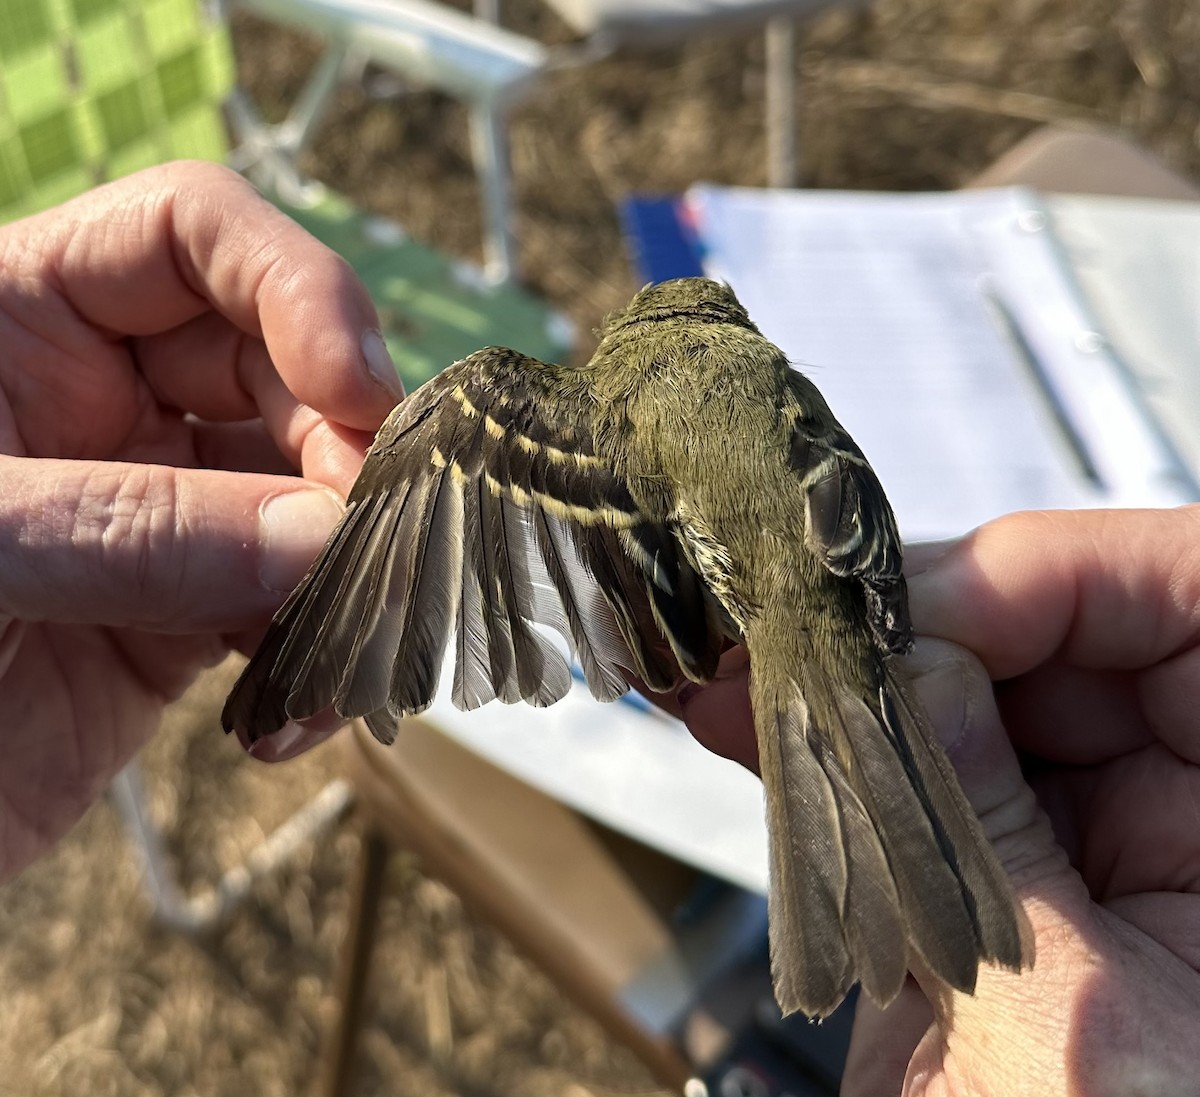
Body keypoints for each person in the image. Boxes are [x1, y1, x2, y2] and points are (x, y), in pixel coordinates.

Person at [1, 162, 1196, 1094]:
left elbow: (470, 520)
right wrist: (866, 609)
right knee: (870, 723)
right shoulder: (777, 385)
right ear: (728, 331)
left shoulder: (540, 409)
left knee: (457, 404)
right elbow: (842, 490)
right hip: (854, 581)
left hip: (767, 651)